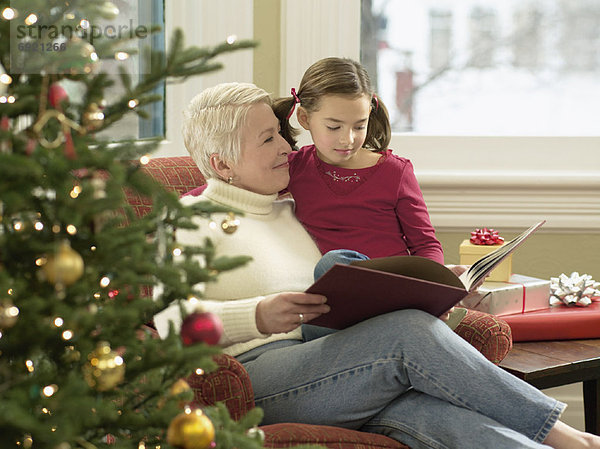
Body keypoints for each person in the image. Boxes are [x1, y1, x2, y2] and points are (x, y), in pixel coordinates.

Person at [153, 82, 600, 449]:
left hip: (333, 363)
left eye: (281, 132)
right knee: (406, 331)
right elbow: (171, 320)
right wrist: (257, 313)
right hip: (257, 376)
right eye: (267, 138)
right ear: (221, 164)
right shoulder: (191, 221)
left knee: (446, 420)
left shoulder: (293, 209)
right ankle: (568, 436)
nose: (286, 146)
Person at [273, 57, 443, 278]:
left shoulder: (395, 172)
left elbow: (426, 245)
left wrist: (437, 285)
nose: (348, 139)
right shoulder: (294, 168)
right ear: (305, 119)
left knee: (418, 314)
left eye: (359, 126)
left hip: (394, 289)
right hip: (330, 294)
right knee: (334, 263)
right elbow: (239, 189)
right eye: (334, 127)